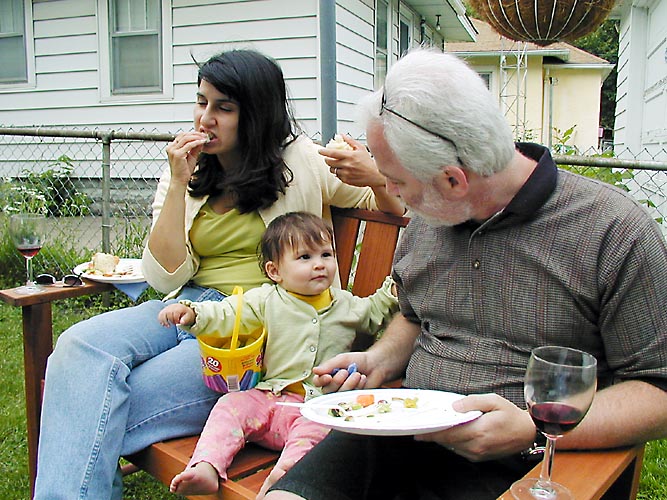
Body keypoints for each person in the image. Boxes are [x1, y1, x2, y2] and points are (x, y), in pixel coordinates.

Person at [265, 48, 667, 500]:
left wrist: (533, 428)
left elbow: (658, 391)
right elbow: (415, 316)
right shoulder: (431, 218)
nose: (389, 192)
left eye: (395, 181)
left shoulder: (614, 231)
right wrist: (377, 360)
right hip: (401, 433)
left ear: (454, 180)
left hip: (536, 465)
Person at [34, 49, 403, 500]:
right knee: (77, 348)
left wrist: (378, 178)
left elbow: (388, 205)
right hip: (185, 306)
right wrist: (175, 185)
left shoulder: (301, 160)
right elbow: (165, 277)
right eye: (201, 102)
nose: (205, 118)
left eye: (223, 108)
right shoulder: (190, 172)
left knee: (92, 406)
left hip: (255, 327)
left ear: (256, 115)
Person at [159, 211, 398, 497]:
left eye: (326, 254)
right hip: (266, 397)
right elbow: (228, 313)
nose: (319, 265)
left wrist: (392, 291)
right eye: (305, 258)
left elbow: (374, 313)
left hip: (313, 407)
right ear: (275, 272)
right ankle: (207, 466)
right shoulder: (265, 300)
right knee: (229, 406)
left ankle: (284, 478)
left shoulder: (346, 305)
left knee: (318, 433)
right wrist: (193, 312)